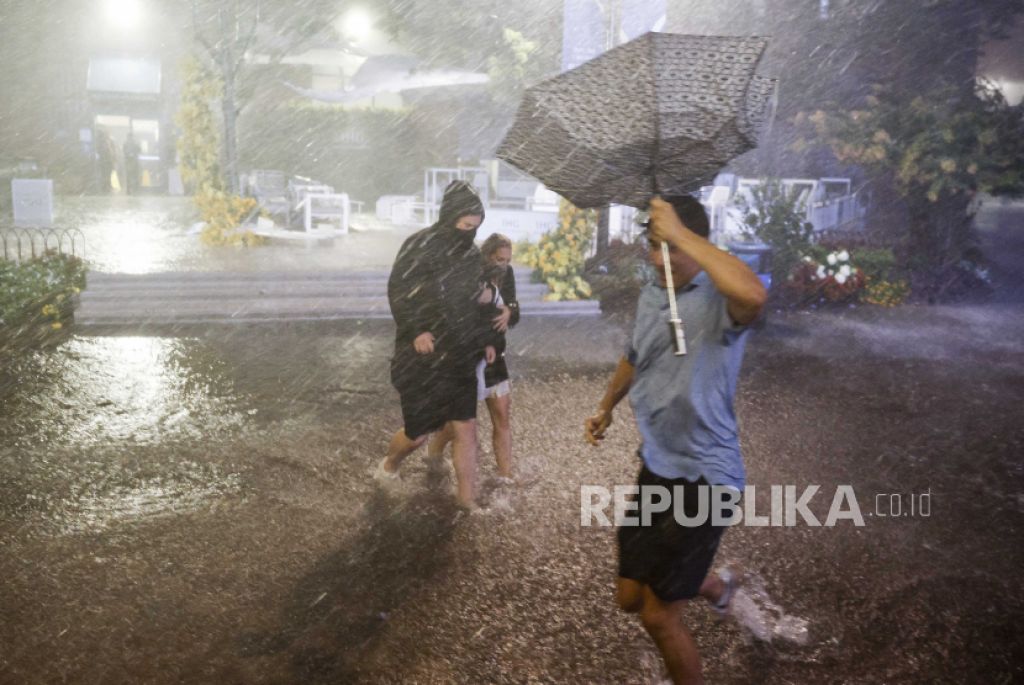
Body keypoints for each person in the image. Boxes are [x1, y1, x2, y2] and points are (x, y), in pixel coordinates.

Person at [584, 195, 767, 685]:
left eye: (669, 249)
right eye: (652, 247)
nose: (656, 259)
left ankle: (697, 592)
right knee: (629, 597)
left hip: (708, 477)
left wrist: (683, 235)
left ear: (697, 244)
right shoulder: (652, 294)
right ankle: (718, 586)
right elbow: (634, 354)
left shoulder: (719, 297)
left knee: (659, 615)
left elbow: (754, 296)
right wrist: (606, 407)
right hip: (659, 466)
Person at [378, 180, 500, 508]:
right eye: (464, 226)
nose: (470, 233)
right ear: (449, 219)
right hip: (422, 357)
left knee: (466, 426)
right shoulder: (418, 246)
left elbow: (478, 300)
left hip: (459, 354)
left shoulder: (471, 256)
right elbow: (399, 292)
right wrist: (417, 329)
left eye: (475, 228)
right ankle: (389, 466)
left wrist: (488, 336)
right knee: (418, 433)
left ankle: (467, 501)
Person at [428, 233, 520, 482]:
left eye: (507, 260)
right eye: (499, 259)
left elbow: (514, 306)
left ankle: (505, 475)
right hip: (469, 354)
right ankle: (435, 449)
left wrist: (509, 311)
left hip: (495, 355)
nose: (503, 264)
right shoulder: (470, 275)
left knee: (502, 412)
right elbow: (463, 316)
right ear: (487, 256)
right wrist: (484, 338)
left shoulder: (507, 274)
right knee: (462, 419)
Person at [123, 131, 141, 195]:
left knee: (129, 176)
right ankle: (135, 189)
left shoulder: (126, 143)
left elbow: (124, 152)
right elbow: (139, 150)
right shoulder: (135, 143)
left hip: (129, 162)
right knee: (134, 176)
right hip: (134, 161)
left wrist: (128, 155)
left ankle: (129, 190)